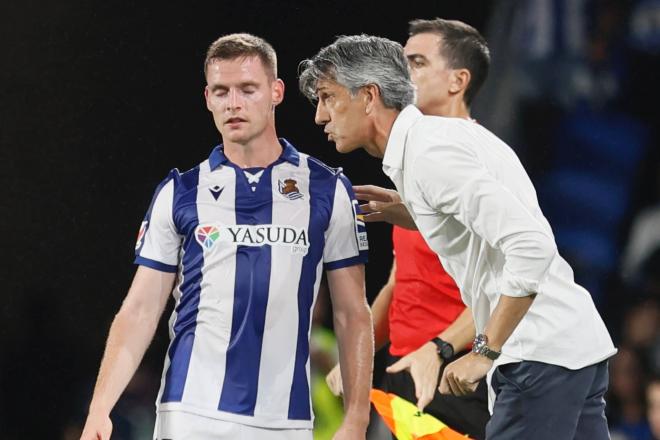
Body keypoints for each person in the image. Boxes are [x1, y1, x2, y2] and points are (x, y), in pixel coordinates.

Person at [298, 34, 617, 439]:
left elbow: (530, 245)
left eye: (327, 97)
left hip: (537, 357)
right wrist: (411, 210)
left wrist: (485, 351)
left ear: (368, 95)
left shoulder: (429, 155)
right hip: (569, 349)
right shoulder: (440, 139)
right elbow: (477, 224)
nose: (320, 116)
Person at [80, 33, 373, 440]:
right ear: (207, 99)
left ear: (276, 92)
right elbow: (140, 310)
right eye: (221, 91)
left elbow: (352, 313)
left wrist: (357, 418)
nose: (233, 103)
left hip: (284, 420)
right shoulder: (179, 192)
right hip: (190, 411)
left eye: (247, 89)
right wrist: (100, 408)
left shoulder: (326, 189)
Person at [324, 18, 490, 439]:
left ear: (458, 81)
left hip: (454, 378)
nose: (403, 75)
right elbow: (403, 282)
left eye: (416, 63)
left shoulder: (476, 163)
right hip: (405, 375)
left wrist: (440, 352)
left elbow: (507, 285)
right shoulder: (413, 163)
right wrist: (356, 357)